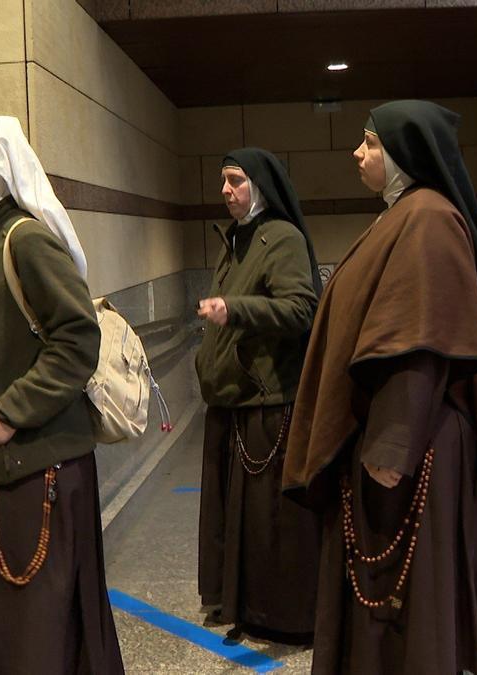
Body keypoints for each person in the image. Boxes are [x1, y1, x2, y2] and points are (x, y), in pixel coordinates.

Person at [282, 100, 477, 674]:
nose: (357, 153)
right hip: (399, 436)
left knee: (405, 591)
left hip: (411, 444)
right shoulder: (404, 213)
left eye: (369, 143)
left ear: (403, 152)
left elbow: (422, 342)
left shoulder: (427, 219)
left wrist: (392, 448)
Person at [0, 115, 124, 674]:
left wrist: (3, 416)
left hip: (39, 463)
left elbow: (77, 340)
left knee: (37, 624)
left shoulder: (25, 239)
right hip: (12, 459)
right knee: (16, 621)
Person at [195, 147, 322, 643]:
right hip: (230, 400)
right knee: (236, 519)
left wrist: (236, 309)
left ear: (261, 187)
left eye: (235, 181)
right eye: (223, 181)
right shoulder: (237, 238)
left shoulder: (281, 238)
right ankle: (240, 602)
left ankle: (280, 613)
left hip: (266, 403)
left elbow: (299, 309)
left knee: (269, 523)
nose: (225, 190)